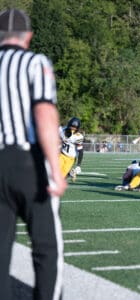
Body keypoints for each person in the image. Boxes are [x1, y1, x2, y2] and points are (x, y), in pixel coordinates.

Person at [0, 8, 67, 300]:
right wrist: (55, 167)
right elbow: (44, 114)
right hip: (27, 161)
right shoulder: (34, 62)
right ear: (28, 36)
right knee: (46, 247)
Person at [59, 117, 84, 182]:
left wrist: (79, 165)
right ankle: (70, 173)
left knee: (61, 178)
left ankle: (70, 173)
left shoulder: (78, 137)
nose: (73, 129)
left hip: (70, 158)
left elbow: (80, 151)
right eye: (72, 126)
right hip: (61, 154)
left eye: (75, 128)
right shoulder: (62, 130)